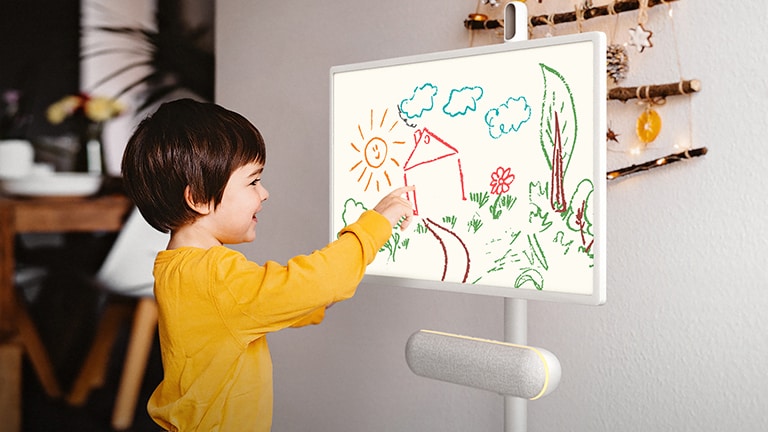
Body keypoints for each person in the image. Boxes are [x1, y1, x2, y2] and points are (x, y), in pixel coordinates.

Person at [120, 98, 415, 431]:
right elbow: (311, 284)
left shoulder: (177, 268)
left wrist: (316, 297)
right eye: (252, 182)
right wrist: (377, 223)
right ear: (199, 198)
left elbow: (267, 301)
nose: (264, 193)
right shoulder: (215, 276)